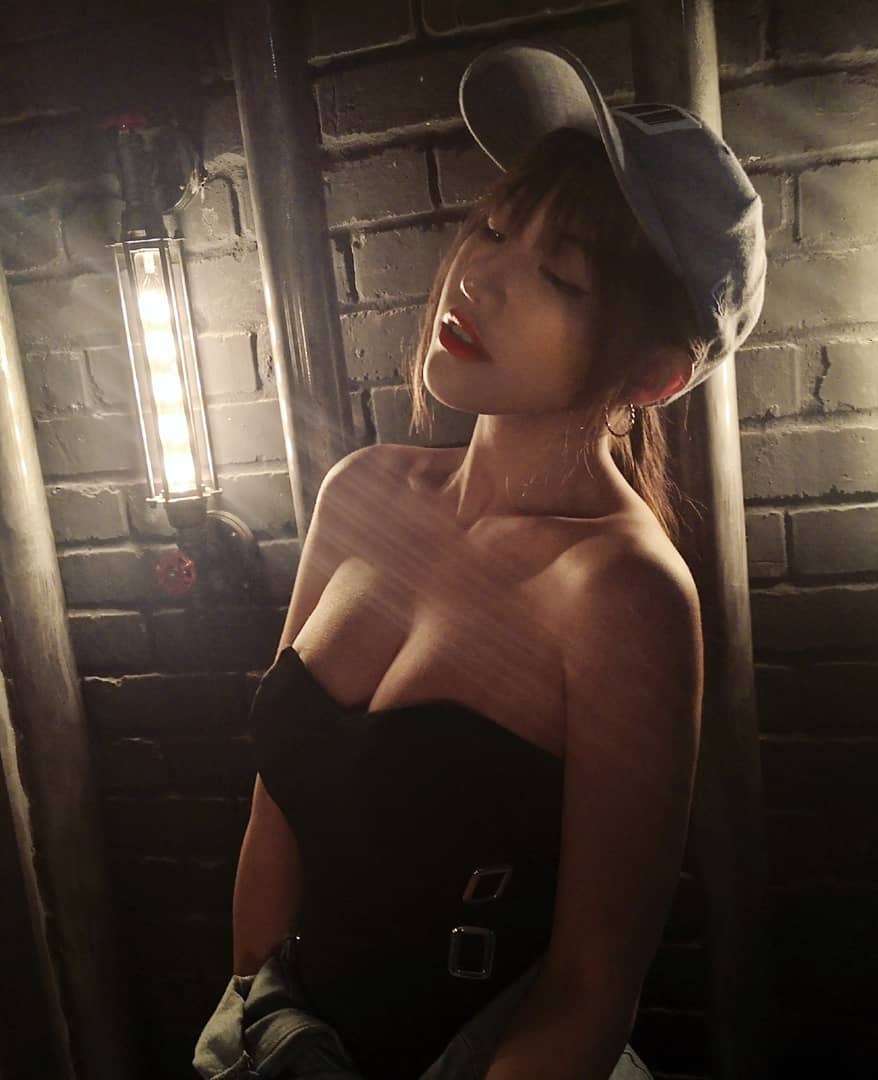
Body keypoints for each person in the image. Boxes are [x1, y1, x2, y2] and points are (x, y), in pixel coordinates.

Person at [194, 41, 765, 1080]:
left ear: (651, 372)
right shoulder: (360, 492)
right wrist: (258, 1031)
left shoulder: (623, 592)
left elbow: (592, 987)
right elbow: (273, 820)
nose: (479, 276)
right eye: (495, 228)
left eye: (558, 275)